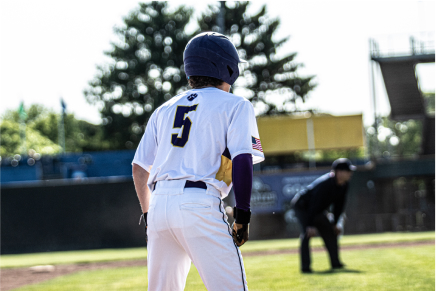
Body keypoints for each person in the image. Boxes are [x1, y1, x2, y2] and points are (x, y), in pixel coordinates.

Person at [132, 32, 264, 291]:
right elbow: (242, 160)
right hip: (198, 202)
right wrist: (243, 215)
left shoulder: (164, 109)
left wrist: (150, 216)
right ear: (228, 67)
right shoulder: (236, 105)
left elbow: (139, 168)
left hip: (159, 205)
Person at [291, 158, 355, 273]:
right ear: (339, 172)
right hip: (302, 206)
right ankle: (305, 267)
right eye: (348, 171)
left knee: (331, 232)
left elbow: (339, 206)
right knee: (307, 233)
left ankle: (336, 263)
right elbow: (313, 204)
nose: (351, 173)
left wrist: (335, 223)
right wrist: (309, 225)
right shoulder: (325, 184)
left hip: (317, 210)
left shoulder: (344, 185)